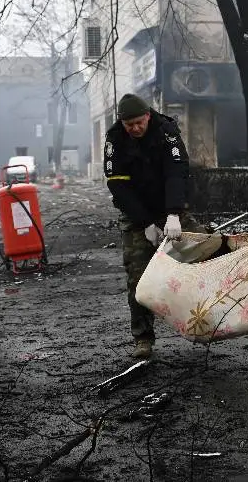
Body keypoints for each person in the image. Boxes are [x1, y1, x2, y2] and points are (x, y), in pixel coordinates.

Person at [104, 93, 201, 359]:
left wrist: (173, 214)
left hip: (170, 206)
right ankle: (143, 339)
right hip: (136, 214)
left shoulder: (166, 131)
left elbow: (177, 172)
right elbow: (117, 185)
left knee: (205, 253)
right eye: (129, 124)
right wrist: (145, 222)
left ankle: (211, 319)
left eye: (138, 122)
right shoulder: (115, 139)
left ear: (148, 115)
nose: (134, 128)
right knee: (138, 278)